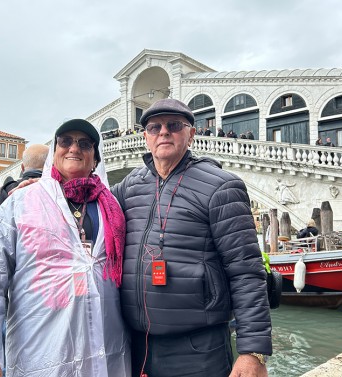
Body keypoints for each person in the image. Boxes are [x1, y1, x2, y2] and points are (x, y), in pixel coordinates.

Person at [112, 99, 272, 377]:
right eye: (154, 127)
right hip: (137, 344)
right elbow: (90, 202)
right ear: (145, 137)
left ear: (191, 133)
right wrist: (37, 187)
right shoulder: (130, 185)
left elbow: (246, 271)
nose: (163, 132)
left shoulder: (221, 186)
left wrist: (253, 352)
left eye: (174, 125)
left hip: (198, 348)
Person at [0, 119, 131, 376]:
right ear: (55, 151)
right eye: (66, 141)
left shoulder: (113, 207)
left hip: (108, 354)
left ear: (95, 159)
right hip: (41, 355)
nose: (74, 148)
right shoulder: (22, 202)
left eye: (85, 144)